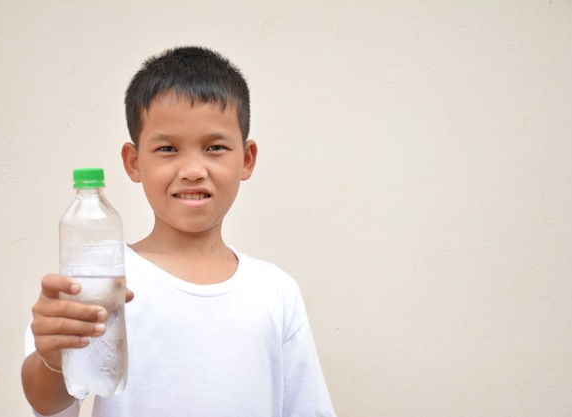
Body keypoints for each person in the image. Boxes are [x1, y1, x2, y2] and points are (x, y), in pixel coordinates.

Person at [21, 46, 336, 417]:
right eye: (167, 148)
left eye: (215, 147)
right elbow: (48, 403)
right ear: (134, 162)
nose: (192, 170)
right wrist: (54, 357)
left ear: (247, 159)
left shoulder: (276, 291)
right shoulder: (102, 279)